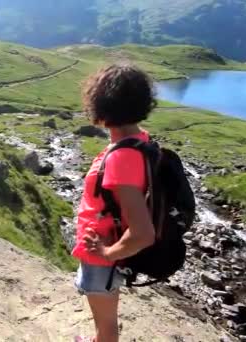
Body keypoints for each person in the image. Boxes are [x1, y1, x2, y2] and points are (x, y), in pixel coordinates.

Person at [72, 64, 158, 342]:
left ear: (102, 105)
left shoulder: (122, 157)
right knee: (106, 320)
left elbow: (143, 233)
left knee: (107, 325)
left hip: (102, 256)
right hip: (107, 247)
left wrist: (108, 253)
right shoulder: (139, 139)